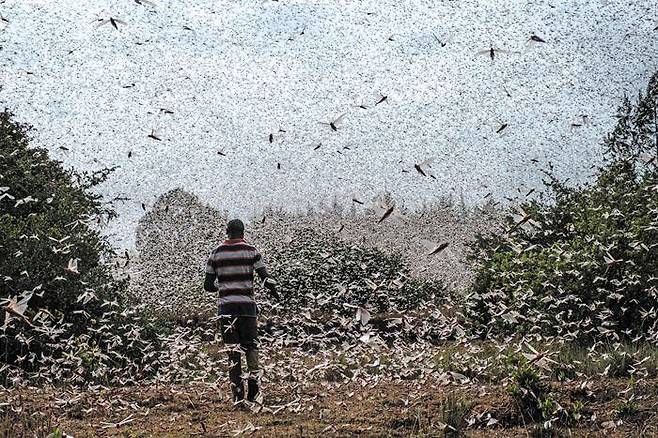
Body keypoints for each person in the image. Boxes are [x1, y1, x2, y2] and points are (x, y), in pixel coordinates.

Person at [204, 219, 278, 404]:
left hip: (227, 310)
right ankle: (253, 392)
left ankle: (237, 396)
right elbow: (265, 278)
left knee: (233, 352)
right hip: (247, 309)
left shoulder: (215, 253)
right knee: (251, 348)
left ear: (227, 232)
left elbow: (207, 286)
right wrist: (275, 292)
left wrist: (223, 288)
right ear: (243, 232)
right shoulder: (252, 251)